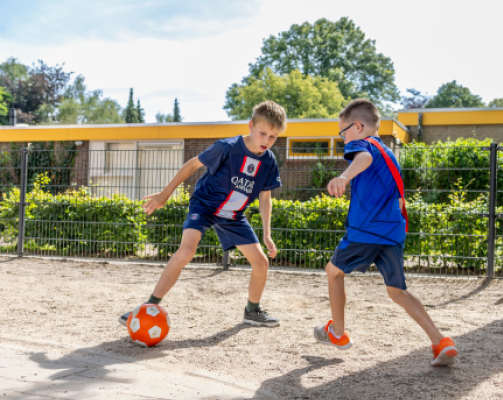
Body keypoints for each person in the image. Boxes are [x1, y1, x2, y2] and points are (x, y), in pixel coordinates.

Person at [313, 99, 458, 366]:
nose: (344, 139)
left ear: (358, 126)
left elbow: (363, 158)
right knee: (397, 291)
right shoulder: (389, 153)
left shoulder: (365, 145)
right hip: (393, 231)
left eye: (343, 133)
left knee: (333, 272)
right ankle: (440, 341)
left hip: (366, 231)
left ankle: (338, 333)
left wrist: (344, 177)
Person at [119, 100, 286, 328]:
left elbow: (265, 199)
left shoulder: (269, 162)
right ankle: (147, 307)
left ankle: (252, 311)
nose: (267, 141)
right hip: (205, 205)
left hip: (233, 215)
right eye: (263, 133)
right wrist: (165, 194)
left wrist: (267, 234)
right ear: (251, 126)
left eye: (273, 137)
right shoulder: (227, 147)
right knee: (187, 251)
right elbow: (191, 165)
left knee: (261, 263)